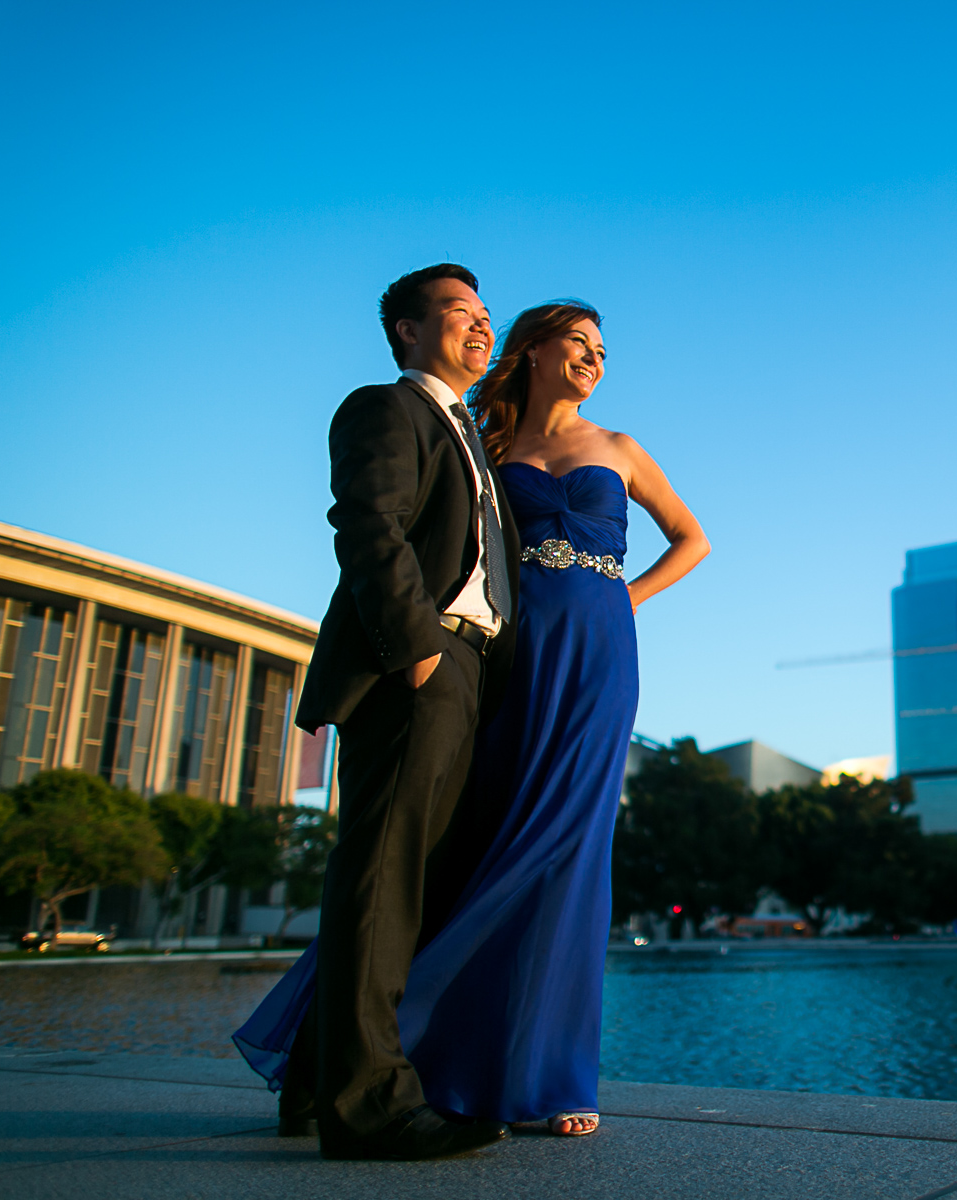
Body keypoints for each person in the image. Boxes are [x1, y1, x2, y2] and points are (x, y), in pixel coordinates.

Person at [236, 297, 708, 1143]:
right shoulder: (488, 447)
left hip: (599, 657)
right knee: (471, 844)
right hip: (509, 659)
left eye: (604, 348)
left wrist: (623, 601)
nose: (596, 357)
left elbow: (692, 539)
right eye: (579, 342)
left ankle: (551, 1072)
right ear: (532, 351)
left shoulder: (621, 449)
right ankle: (410, 1058)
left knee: (570, 849)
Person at [245, 263, 520, 1161]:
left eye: (485, 315)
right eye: (457, 313)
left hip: (463, 669)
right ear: (406, 329)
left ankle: (317, 1084)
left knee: (400, 880)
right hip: (421, 661)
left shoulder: (468, 435)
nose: (480, 327)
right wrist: (418, 651)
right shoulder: (386, 407)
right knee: (381, 878)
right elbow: (369, 527)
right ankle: (370, 1109)